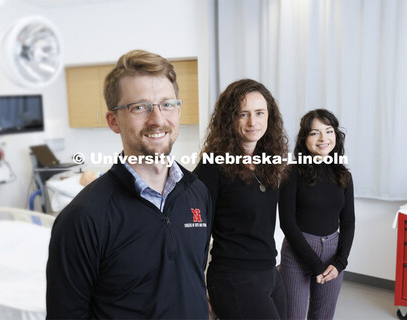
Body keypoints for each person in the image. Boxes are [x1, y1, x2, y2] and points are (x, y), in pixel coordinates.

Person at [46, 49, 212, 319]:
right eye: (139, 107)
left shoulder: (198, 193)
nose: (157, 119)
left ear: (178, 109)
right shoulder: (83, 218)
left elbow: (192, 276)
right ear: (114, 121)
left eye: (167, 104)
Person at [194, 79, 288, 319]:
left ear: (270, 116)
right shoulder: (212, 166)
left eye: (259, 113)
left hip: (269, 270)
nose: (252, 122)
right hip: (234, 276)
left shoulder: (269, 162)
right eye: (242, 114)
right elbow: (194, 232)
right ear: (229, 118)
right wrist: (197, 290)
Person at [279, 109, 355, 319]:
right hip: (297, 252)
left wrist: (340, 263)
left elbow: (348, 222)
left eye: (329, 131)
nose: (323, 138)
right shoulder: (291, 173)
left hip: (333, 252)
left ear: (336, 136)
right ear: (304, 139)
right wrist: (315, 264)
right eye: (315, 133)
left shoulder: (343, 176)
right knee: (292, 315)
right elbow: (287, 223)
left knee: (323, 315)